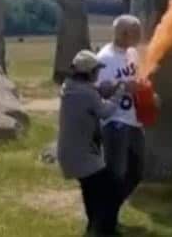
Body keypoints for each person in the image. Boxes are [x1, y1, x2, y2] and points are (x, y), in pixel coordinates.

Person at [57, 49, 130, 236]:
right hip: (83, 155)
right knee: (112, 191)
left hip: (71, 153)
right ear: (89, 73)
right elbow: (105, 111)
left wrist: (104, 90)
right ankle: (105, 229)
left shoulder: (70, 87)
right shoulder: (85, 94)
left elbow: (91, 95)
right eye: (96, 71)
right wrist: (120, 92)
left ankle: (95, 228)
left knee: (91, 192)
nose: (98, 73)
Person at [95, 15, 147, 212]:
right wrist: (122, 86)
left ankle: (108, 208)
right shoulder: (104, 59)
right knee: (116, 172)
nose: (139, 37)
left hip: (134, 121)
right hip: (115, 121)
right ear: (125, 34)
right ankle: (105, 217)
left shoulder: (133, 53)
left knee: (137, 171)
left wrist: (150, 95)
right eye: (136, 33)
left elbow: (139, 81)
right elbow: (99, 91)